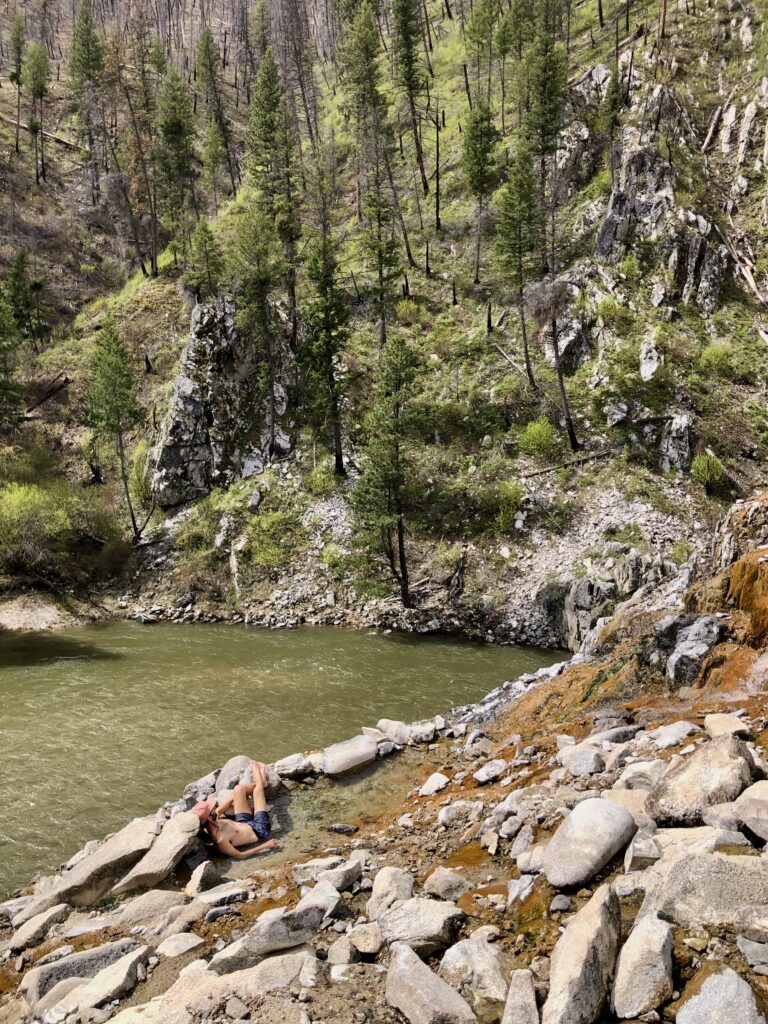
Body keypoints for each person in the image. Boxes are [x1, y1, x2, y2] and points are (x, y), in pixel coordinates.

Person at [192, 759, 278, 859]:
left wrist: (236, 796)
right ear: (210, 818)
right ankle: (260, 783)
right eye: (212, 808)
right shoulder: (220, 839)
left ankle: (261, 784)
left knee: (238, 789)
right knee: (257, 790)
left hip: (244, 821)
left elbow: (223, 806)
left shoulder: (214, 818)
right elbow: (239, 855)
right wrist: (266, 845)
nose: (215, 807)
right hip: (259, 830)